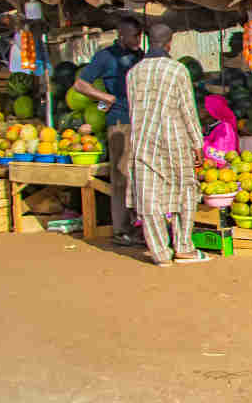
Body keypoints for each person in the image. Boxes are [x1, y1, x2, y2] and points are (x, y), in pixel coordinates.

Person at [125, 23, 209, 266]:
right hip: (175, 139)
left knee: (149, 197)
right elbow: (187, 110)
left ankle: (160, 252)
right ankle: (184, 246)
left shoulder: (133, 73)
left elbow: (133, 112)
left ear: (148, 42)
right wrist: (197, 144)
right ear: (170, 43)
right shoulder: (177, 70)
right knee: (185, 191)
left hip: (142, 140)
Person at [74, 17, 144, 246]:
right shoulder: (106, 56)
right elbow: (81, 84)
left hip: (140, 120)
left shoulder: (139, 56)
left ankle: (138, 225)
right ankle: (121, 229)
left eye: (139, 35)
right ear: (121, 34)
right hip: (119, 122)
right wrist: (105, 98)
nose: (137, 39)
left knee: (138, 174)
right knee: (121, 175)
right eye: (134, 35)